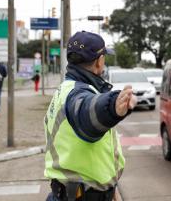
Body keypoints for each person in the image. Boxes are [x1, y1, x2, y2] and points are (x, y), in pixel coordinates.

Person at [44, 31, 137, 201]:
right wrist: (112, 107)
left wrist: (112, 190)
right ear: (99, 61)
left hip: (80, 193)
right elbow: (87, 113)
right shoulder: (76, 94)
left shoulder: (66, 89)